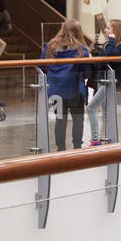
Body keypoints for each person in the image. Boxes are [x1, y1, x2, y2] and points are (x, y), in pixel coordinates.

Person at [41, 19, 91, 151]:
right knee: (78, 120)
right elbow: (87, 71)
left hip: (56, 90)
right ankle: (77, 147)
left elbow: (41, 65)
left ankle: (60, 148)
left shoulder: (50, 46)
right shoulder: (81, 49)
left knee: (60, 119)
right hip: (75, 90)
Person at [88, 19, 121, 145]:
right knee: (106, 110)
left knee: (91, 107)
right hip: (102, 78)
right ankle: (108, 139)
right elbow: (102, 60)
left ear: (115, 30)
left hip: (111, 81)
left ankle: (95, 139)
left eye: (108, 28)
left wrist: (111, 40)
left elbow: (109, 56)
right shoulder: (108, 44)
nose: (105, 30)